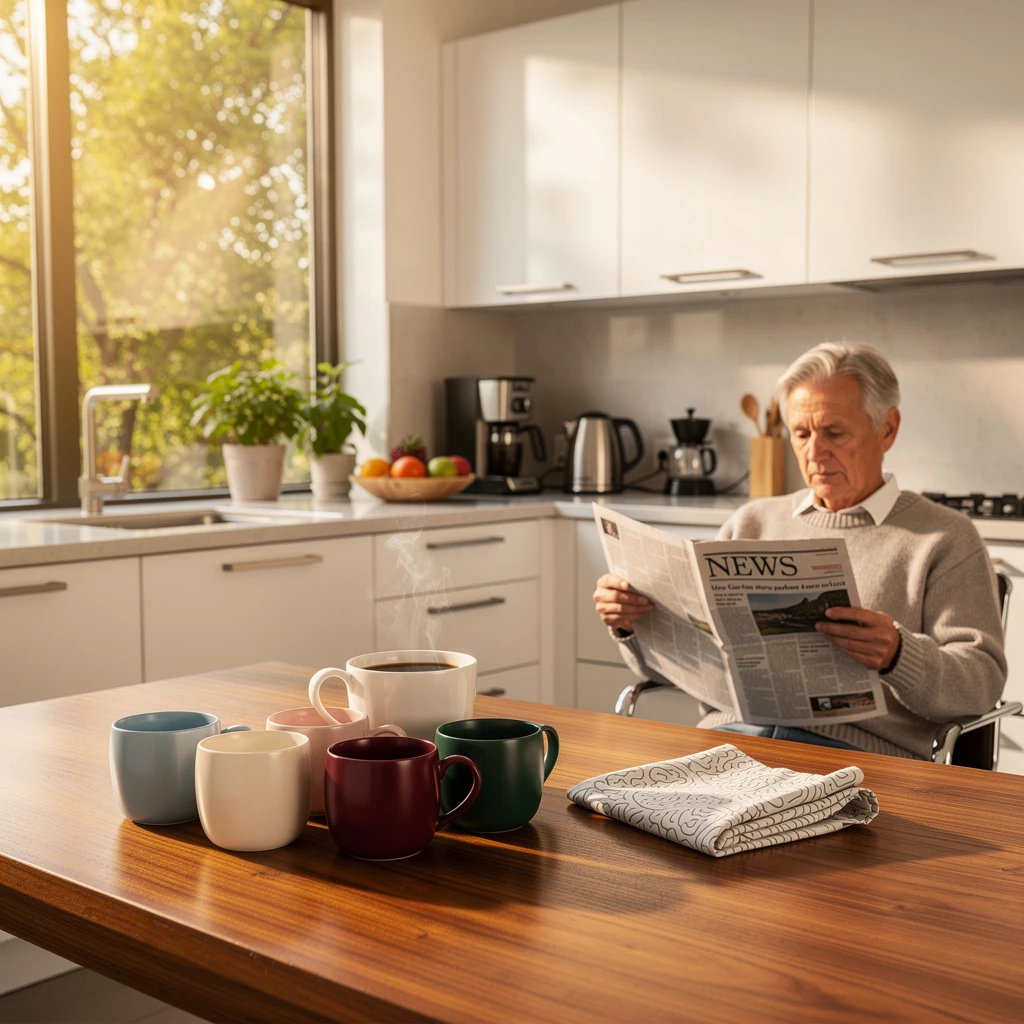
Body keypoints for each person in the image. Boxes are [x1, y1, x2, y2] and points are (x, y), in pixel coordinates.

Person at [593, 342, 1007, 759]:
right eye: (802, 433)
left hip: (859, 759)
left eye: (834, 432)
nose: (814, 453)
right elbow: (662, 672)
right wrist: (631, 624)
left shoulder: (944, 538)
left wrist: (899, 654)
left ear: (887, 429)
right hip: (729, 743)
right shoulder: (750, 522)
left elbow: (981, 684)